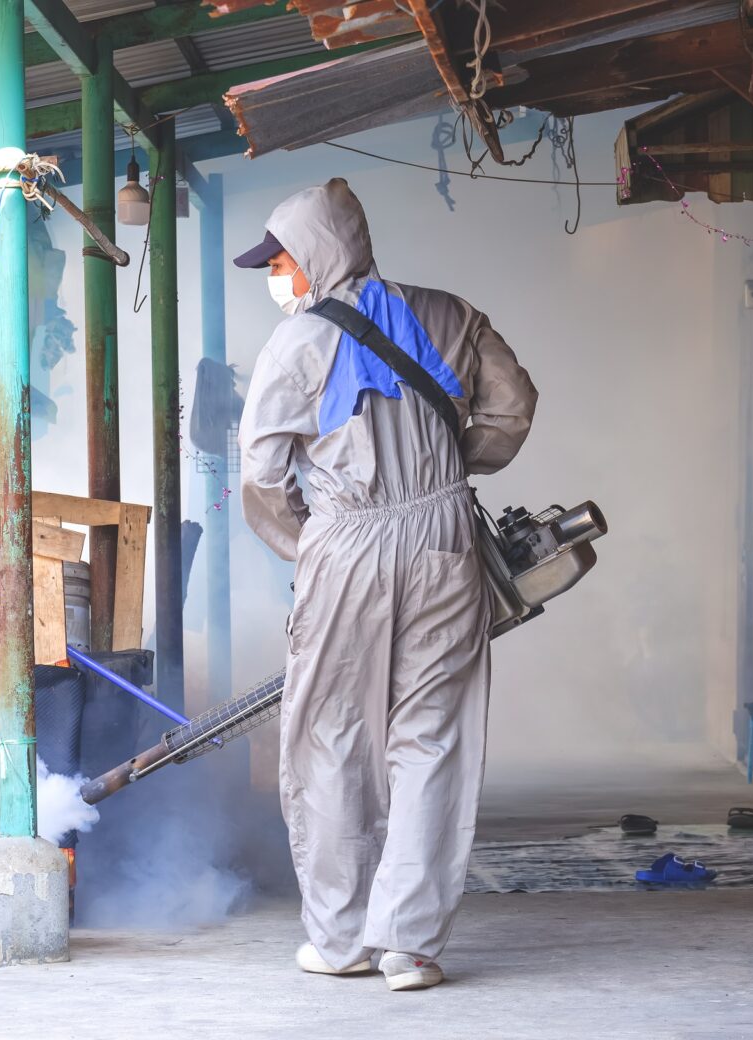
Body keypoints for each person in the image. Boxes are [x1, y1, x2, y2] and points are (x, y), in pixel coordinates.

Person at [235, 178, 537, 992]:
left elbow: (261, 479)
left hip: (346, 546)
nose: (278, 277)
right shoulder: (450, 314)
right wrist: (443, 472)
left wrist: (311, 547)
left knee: (329, 737)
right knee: (431, 739)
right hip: (443, 539)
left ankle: (339, 941)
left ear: (315, 256)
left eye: (282, 261)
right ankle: (410, 945)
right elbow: (513, 409)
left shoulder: (295, 345)